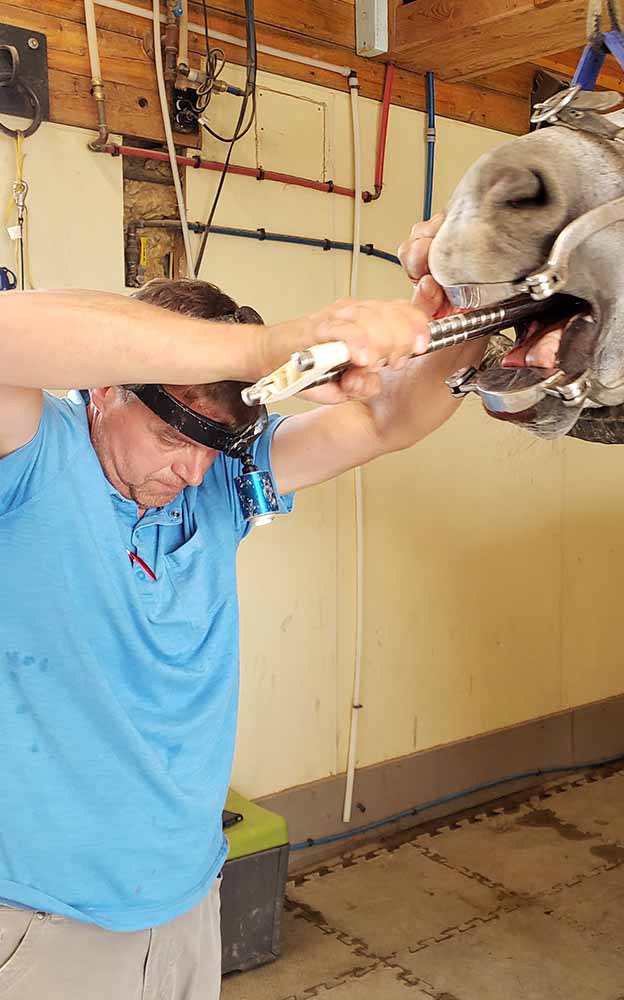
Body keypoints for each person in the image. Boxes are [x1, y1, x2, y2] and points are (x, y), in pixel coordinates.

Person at [0, 215, 463, 998]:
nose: (190, 472)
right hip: (43, 914)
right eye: (171, 438)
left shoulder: (222, 482)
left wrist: (465, 313)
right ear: (106, 386)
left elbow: (390, 418)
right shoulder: (34, 452)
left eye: (211, 450)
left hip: (184, 892)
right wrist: (263, 346)